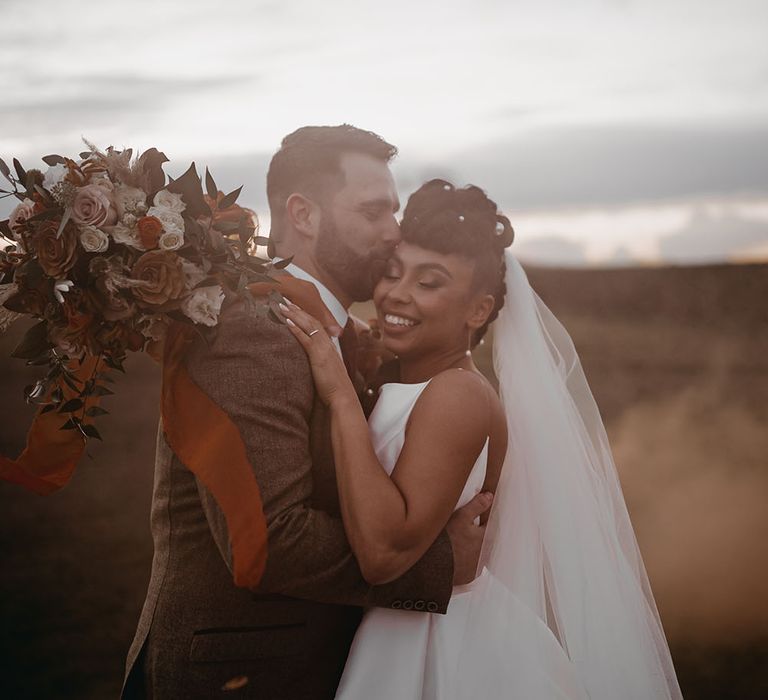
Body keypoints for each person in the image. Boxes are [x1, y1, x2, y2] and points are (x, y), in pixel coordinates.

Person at [122, 128, 491, 700]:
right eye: (373, 212)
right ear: (304, 214)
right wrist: (436, 564)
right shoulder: (254, 329)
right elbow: (269, 544)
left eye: (394, 211)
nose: (394, 233)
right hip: (237, 677)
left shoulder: (333, 331)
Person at [281, 179, 684, 699]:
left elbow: (382, 553)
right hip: (396, 623)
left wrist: (339, 395)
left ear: (477, 310)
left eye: (430, 282)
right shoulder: (402, 377)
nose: (397, 294)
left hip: (438, 646)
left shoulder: (459, 397)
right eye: (393, 272)